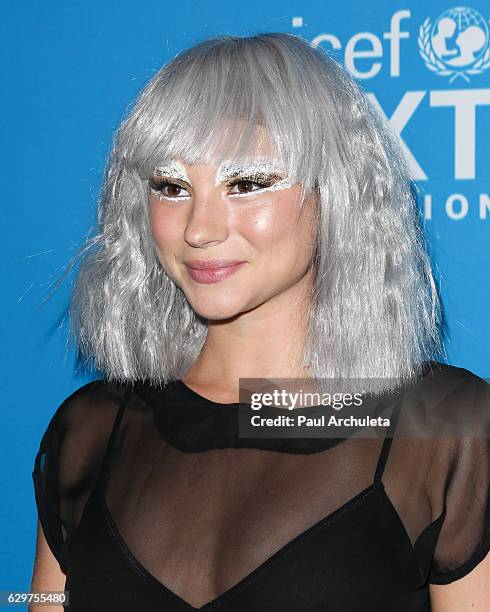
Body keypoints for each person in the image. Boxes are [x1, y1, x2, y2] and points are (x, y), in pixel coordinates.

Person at [30, 32, 490, 611]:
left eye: (246, 184)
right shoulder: (90, 431)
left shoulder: (443, 426)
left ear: (334, 194)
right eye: (172, 187)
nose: (200, 228)